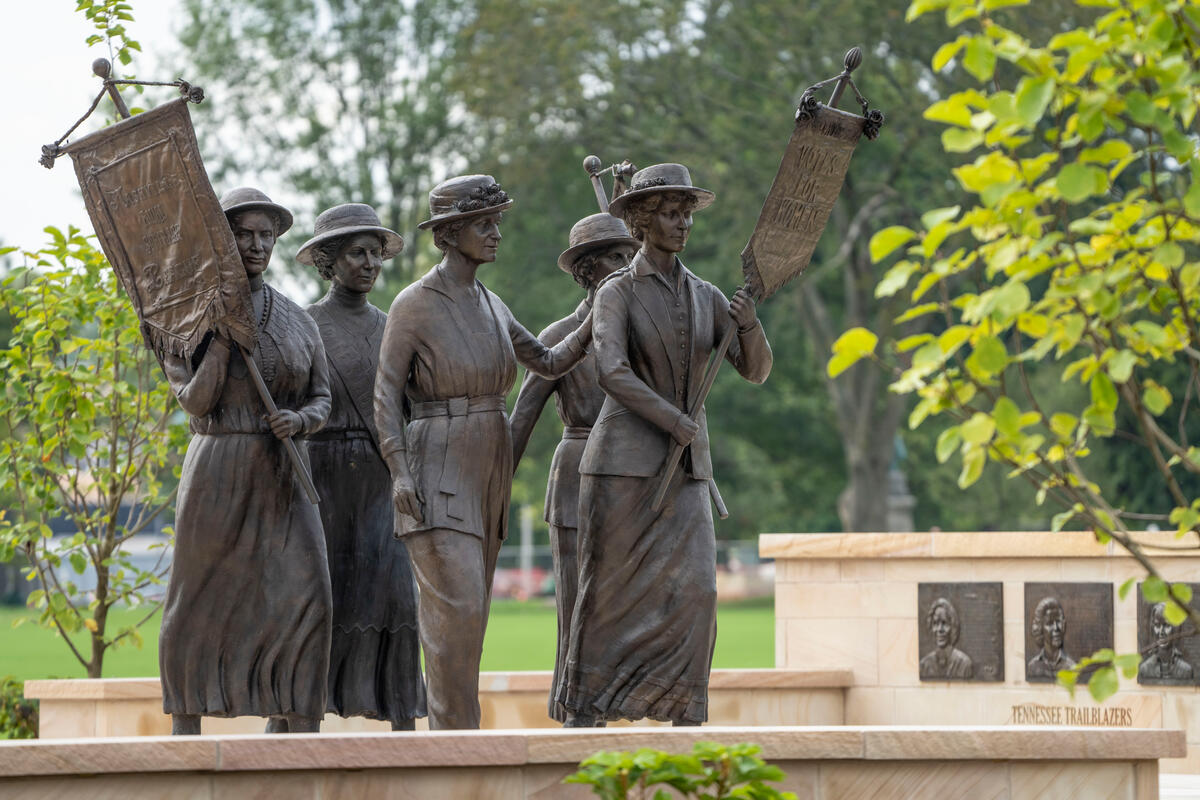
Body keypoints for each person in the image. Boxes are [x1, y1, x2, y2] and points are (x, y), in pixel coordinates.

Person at [374, 174, 593, 729]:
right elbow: (385, 395)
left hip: (487, 470)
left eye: (497, 222)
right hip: (436, 465)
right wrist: (399, 472)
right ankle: (455, 751)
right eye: (483, 224)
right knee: (458, 616)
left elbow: (548, 360)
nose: (496, 233)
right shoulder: (414, 304)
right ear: (449, 234)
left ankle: (458, 744)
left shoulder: (492, 303)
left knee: (472, 623)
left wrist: (599, 309)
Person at [558, 163, 772, 727]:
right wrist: (672, 420)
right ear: (643, 222)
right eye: (672, 215)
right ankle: (587, 713)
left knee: (698, 592)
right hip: (622, 468)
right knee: (607, 596)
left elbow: (756, 371)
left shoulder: (707, 295)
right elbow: (611, 371)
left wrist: (749, 326)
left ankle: (685, 712)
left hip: (687, 471)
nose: (683, 225)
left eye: (687, 215)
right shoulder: (617, 292)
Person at [159, 187, 333, 735]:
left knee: (308, 592)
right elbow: (194, 402)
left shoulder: (299, 319)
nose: (257, 245)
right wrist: (220, 340)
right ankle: (188, 721)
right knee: (199, 597)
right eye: (244, 234)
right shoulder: (184, 318)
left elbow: (322, 398)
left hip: (283, 469)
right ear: (221, 239)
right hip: (218, 465)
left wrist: (299, 421)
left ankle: (295, 719)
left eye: (266, 235)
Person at [298, 203, 428, 730]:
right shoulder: (305, 325)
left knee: (396, 598)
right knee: (318, 600)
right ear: (328, 262)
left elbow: (413, 403)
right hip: (322, 477)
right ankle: (293, 718)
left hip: (381, 474)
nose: (370, 263)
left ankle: (402, 718)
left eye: (375, 253)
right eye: (357, 253)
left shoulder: (393, 325)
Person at [509, 213, 639, 723]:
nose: (626, 266)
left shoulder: (638, 330)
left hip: (632, 476)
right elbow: (522, 418)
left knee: (627, 604)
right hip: (577, 476)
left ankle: (620, 704)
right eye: (614, 258)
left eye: (629, 256)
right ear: (586, 271)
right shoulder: (561, 334)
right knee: (579, 602)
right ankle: (577, 709)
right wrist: (492, 490)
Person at [918, 598, 974, 679]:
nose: (940, 629)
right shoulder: (924, 665)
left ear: (953, 626)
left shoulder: (964, 664)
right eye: (935, 623)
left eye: (944, 623)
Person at [1138, 602, 1194, 682]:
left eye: (1167, 625)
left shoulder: (1186, 670)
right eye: (1157, 625)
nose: (1161, 632)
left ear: (1175, 629)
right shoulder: (1145, 669)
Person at [1026, 596, 1075, 681]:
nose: (1056, 628)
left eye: (1058, 622)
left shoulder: (1071, 666)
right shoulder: (1032, 666)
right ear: (1040, 628)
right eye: (1050, 623)